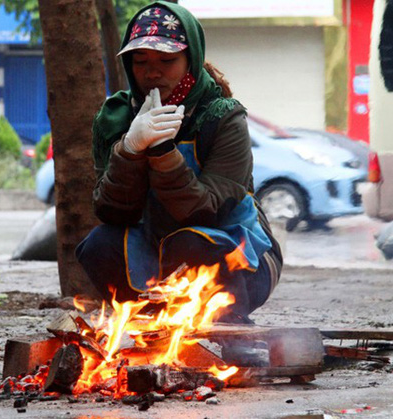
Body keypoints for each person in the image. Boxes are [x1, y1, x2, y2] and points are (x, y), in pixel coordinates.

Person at [76, 1, 283, 329]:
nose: (152, 72)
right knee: (99, 244)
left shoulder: (223, 117)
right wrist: (130, 149)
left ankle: (228, 330)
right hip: (155, 252)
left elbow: (205, 212)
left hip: (238, 259)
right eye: (140, 61)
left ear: (191, 59)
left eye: (167, 60)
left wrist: (162, 153)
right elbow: (111, 211)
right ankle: (151, 328)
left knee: (189, 241)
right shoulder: (117, 117)